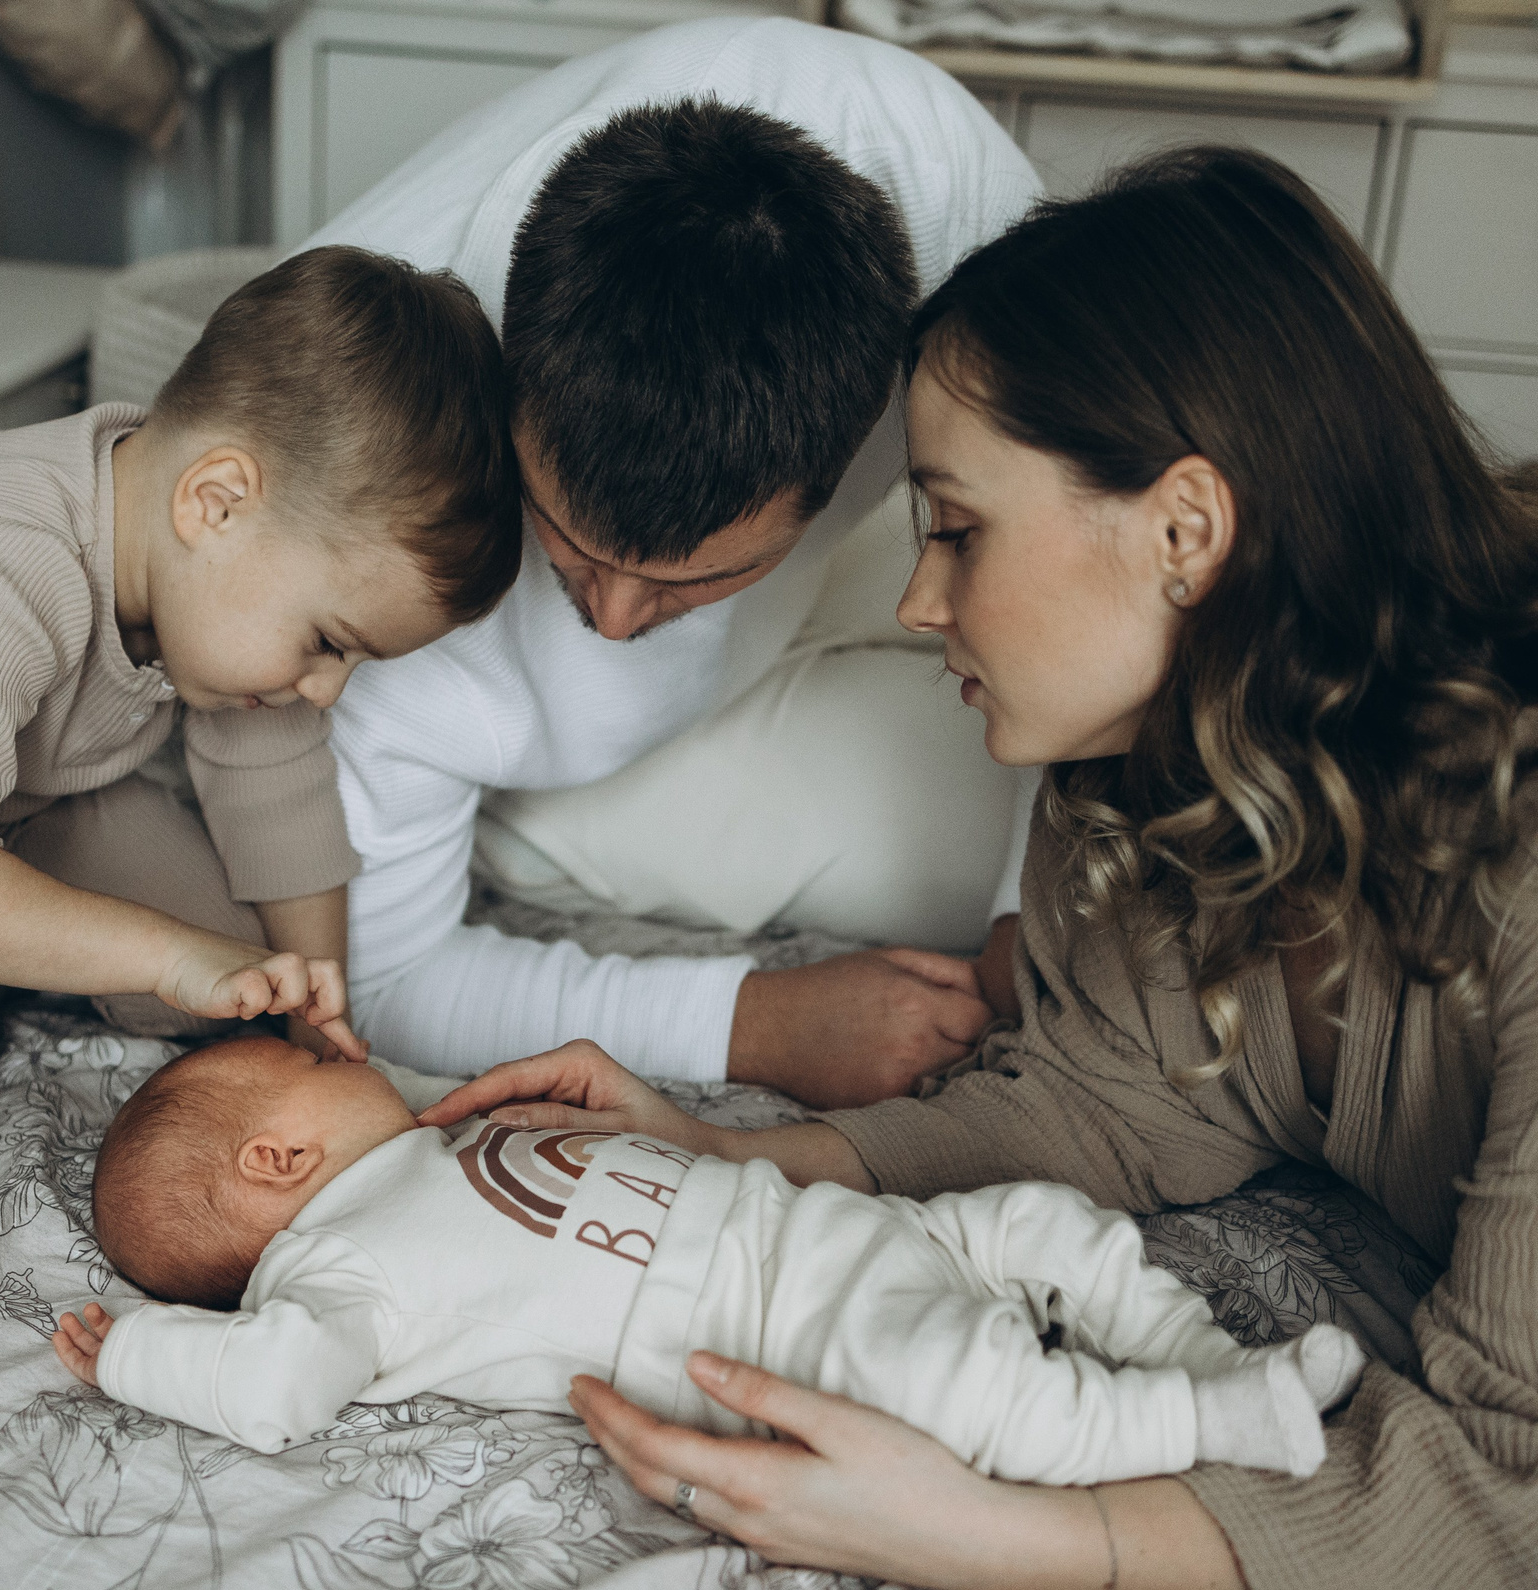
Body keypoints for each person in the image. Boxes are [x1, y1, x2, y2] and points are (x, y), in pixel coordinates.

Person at [418, 148, 1538, 1590]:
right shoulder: (1166, 745)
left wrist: (1008, 1529)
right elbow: (1102, 1095)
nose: (919, 603)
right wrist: (726, 1160)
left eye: (959, 529)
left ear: (1185, 529)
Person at [295, 18, 1047, 1107]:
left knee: (1104, 855)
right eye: (573, 545)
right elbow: (383, 978)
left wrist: (1034, 911)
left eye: (689, 581)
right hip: (495, 712)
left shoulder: (960, 200)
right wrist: (755, 1023)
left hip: (892, 511)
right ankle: (530, 822)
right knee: (952, 871)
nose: (611, 617)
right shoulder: (366, 539)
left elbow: (1113, 560)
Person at [0, 248, 519, 1145]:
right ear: (215, 503)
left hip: (29, 791)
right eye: (328, 644)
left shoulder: (214, 575)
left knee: (245, 983)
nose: (325, 688)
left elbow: (278, 790)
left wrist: (312, 1008)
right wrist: (160, 953)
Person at [51, 1037, 1366, 1480]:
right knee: (976, 1391)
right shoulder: (339, 1273)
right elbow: (279, 1390)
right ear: (277, 1163)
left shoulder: (425, 1145)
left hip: (826, 1228)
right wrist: (142, 1352)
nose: (361, 1058)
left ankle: (1216, 1352)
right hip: (778, 1331)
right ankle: (1201, 1419)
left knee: (1039, 1220)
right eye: (322, 1065)